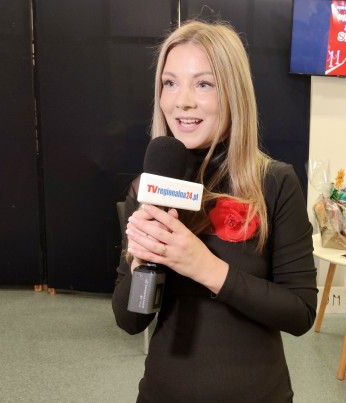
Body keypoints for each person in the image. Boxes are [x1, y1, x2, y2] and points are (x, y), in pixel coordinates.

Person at [111, 20, 318, 402]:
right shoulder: (150, 186)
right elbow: (130, 320)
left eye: (203, 84)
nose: (182, 101)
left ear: (233, 92)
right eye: (170, 83)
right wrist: (142, 263)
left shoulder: (274, 182)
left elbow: (300, 313)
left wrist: (205, 267)